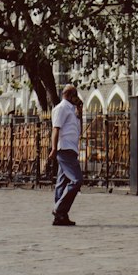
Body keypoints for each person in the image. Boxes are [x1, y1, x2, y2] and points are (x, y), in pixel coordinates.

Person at [49, 83, 82, 227]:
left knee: (61, 183)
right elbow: (56, 129)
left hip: (71, 149)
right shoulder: (62, 108)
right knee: (77, 180)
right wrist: (54, 148)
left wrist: (79, 111)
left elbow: (76, 129)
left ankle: (61, 217)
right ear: (69, 95)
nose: (77, 98)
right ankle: (59, 209)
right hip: (65, 149)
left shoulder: (72, 110)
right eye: (75, 95)